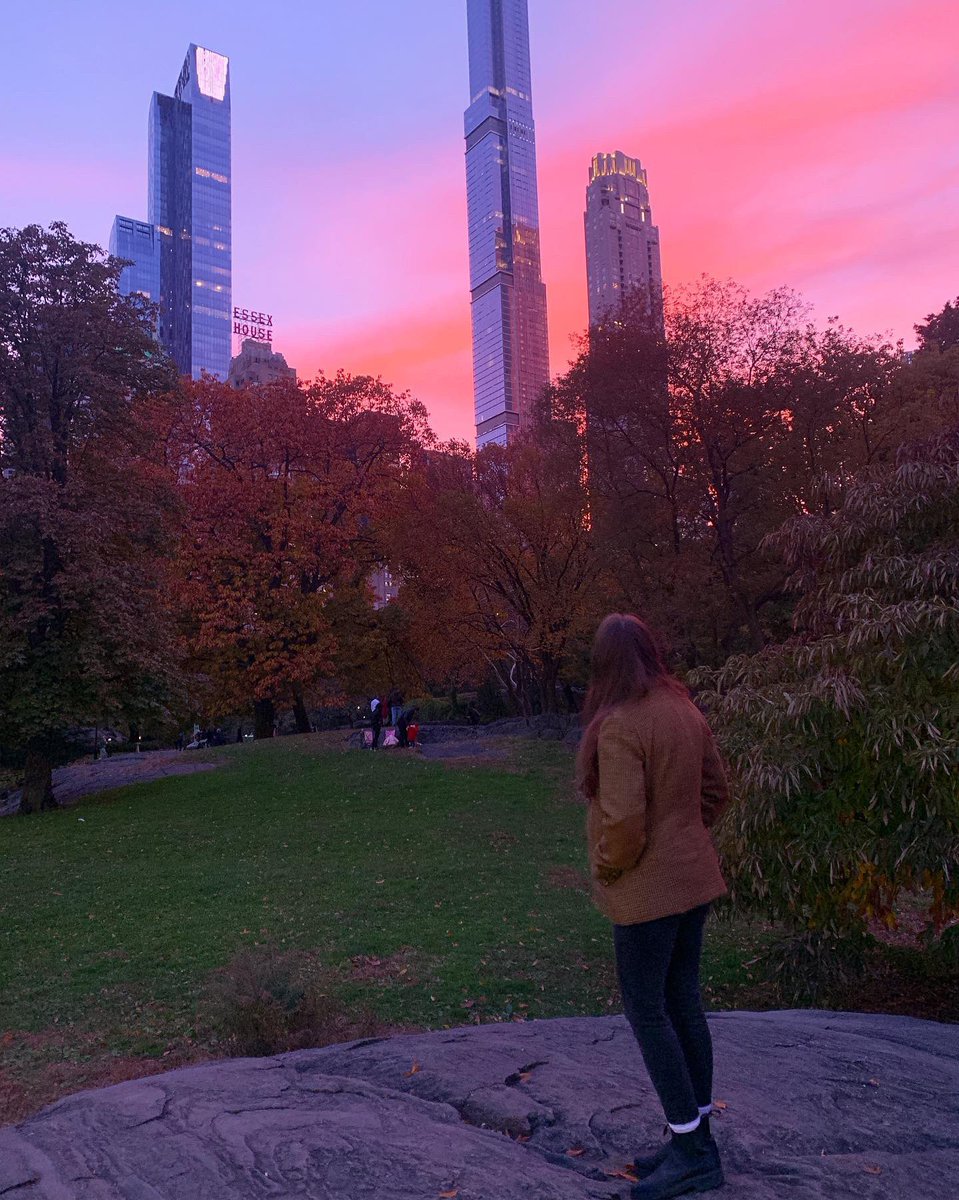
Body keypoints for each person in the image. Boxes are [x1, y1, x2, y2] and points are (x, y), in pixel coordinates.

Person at [576, 614, 730, 1200]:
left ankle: (693, 1152)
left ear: (603, 665)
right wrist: (685, 838)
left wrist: (608, 866)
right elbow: (716, 791)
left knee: (647, 1009)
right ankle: (694, 1137)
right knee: (683, 1000)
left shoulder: (619, 727)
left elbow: (622, 824)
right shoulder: (685, 711)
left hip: (648, 893)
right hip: (695, 884)